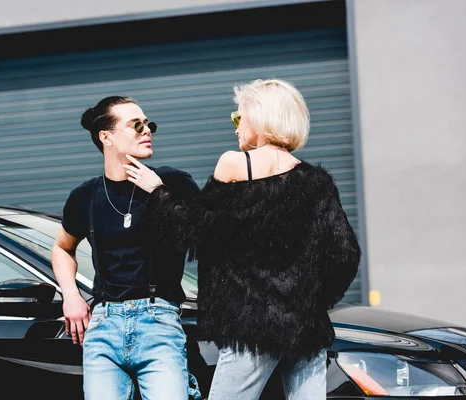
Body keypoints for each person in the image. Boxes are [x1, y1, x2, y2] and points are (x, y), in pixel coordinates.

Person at [123, 79, 362, 399]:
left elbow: (197, 231)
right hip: (307, 327)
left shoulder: (237, 164)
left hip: (254, 325)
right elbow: (346, 254)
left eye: (239, 118)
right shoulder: (319, 182)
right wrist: (305, 301)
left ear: (261, 119)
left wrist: (157, 191)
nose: (236, 128)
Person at [52, 95, 202, 400]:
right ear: (106, 137)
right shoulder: (86, 196)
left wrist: (158, 191)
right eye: (136, 125)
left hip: (159, 322)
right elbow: (62, 248)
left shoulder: (173, 182)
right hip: (103, 326)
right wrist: (71, 296)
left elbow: (204, 235)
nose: (147, 130)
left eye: (149, 124)